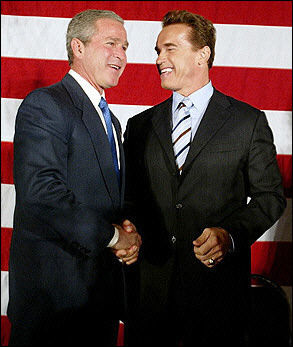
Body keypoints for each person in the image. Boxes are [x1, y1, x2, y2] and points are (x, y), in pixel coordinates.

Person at [123, 10, 287, 346]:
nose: (159, 59)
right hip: (150, 297)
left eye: (169, 48)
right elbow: (129, 197)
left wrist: (230, 235)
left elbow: (270, 198)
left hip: (217, 298)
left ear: (203, 54)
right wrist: (126, 225)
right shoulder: (139, 126)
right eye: (157, 51)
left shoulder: (247, 122)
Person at [8, 9, 141, 346]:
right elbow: (42, 194)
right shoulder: (47, 104)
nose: (121, 55)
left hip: (100, 298)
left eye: (124, 47)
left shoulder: (111, 119)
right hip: (55, 304)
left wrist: (126, 228)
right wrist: (113, 237)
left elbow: (107, 196)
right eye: (110, 43)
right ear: (78, 47)